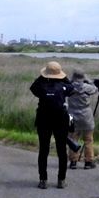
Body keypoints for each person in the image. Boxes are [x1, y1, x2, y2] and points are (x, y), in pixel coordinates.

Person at [30, 61, 75, 189]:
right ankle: (61, 180)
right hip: (60, 120)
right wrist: (64, 77)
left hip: (44, 119)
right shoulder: (64, 87)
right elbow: (71, 87)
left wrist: (42, 76)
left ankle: (43, 180)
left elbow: (33, 86)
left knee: (43, 150)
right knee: (61, 151)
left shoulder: (41, 86)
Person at [68, 69, 98, 170]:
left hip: (72, 114)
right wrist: (88, 80)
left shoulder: (69, 87)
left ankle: (73, 161)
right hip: (85, 114)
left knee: (72, 138)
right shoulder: (88, 88)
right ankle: (88, 161)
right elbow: (95, 89)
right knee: (88, 139)